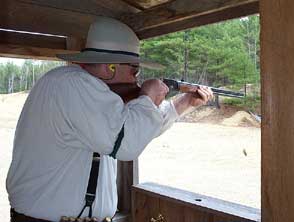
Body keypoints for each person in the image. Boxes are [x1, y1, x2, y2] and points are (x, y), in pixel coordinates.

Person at [6, 18, 213, 222]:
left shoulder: (81, 89)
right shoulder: (72, 84)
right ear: (110, 67)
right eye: (135, 70)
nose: (136, 79)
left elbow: (136, 128)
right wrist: (148, 97)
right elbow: (127, 143)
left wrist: (184, 103)